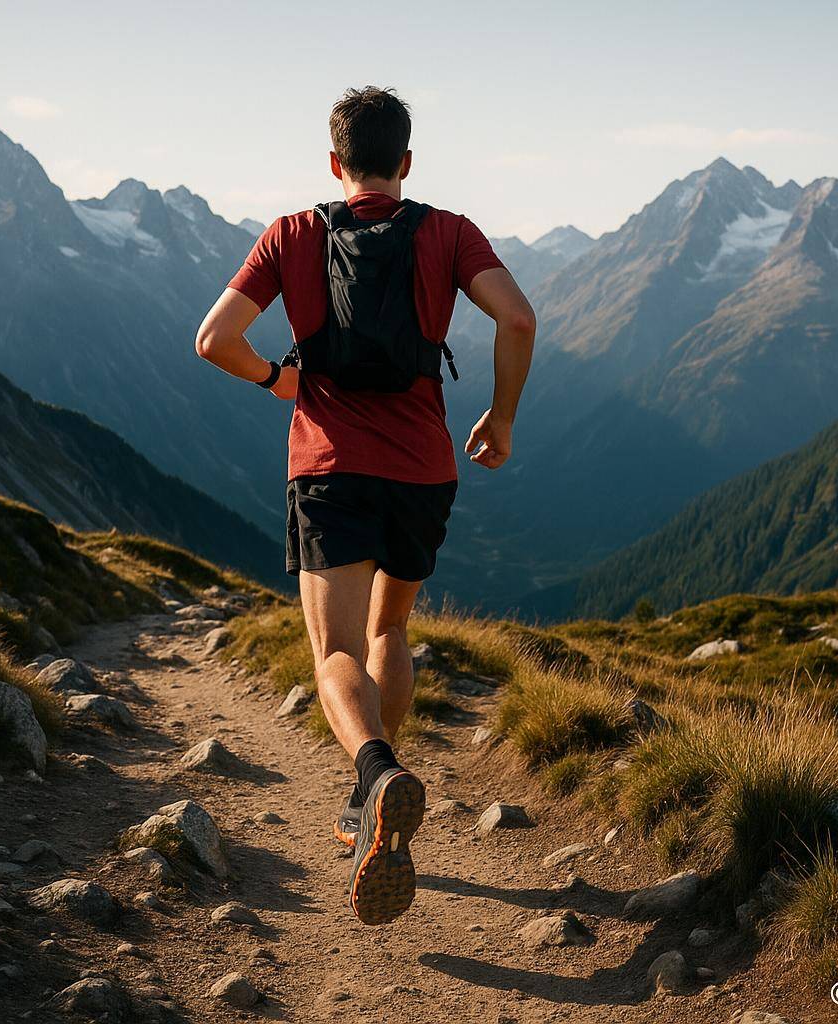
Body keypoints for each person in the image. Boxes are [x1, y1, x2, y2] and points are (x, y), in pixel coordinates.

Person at [193, 86, 537, 925]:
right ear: (407, 163)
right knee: (390, 633)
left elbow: (213, 341)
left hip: (330, 468)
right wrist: (500, 415)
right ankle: (375, 808)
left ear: (335, 163)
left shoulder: (293, 234)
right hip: (423, 471)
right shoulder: (448, 231)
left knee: (334, 649)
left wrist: (282, 380)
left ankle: (376, 776)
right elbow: (519, 319)